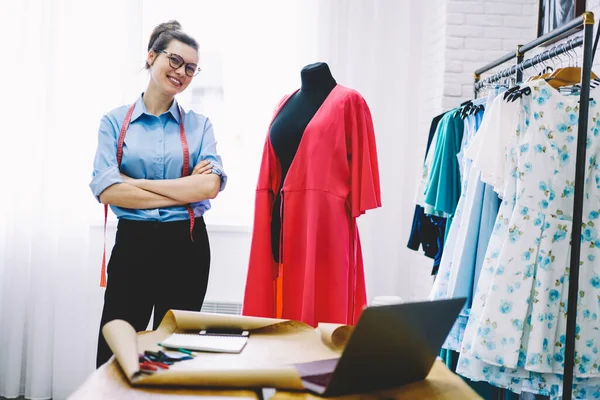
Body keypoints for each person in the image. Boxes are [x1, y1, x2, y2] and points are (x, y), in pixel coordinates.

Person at [89, 20, 227, 367]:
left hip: (188, 245)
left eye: (191, 68)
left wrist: (131, 183)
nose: (182, 72)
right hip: (133, 243)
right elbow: (107, 191)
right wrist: (184, 191)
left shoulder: (200, 125)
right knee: (117, 347)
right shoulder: (113, 122)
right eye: (175, 61)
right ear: (152, 56)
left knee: (174, 351)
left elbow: (209, 185)